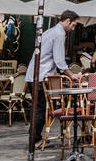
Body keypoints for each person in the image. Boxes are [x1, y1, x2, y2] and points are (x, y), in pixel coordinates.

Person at [27, 9, 80, 146]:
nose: (73, 29)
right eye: (73, 25)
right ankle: (34, 139)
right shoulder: (59, 34)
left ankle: (34, 137)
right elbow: (59, 61)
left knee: (37, 108)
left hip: (33, 75)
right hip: (41, 76)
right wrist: (71, 75)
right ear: (68, 21)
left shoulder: (49, 31)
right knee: (41, 108)